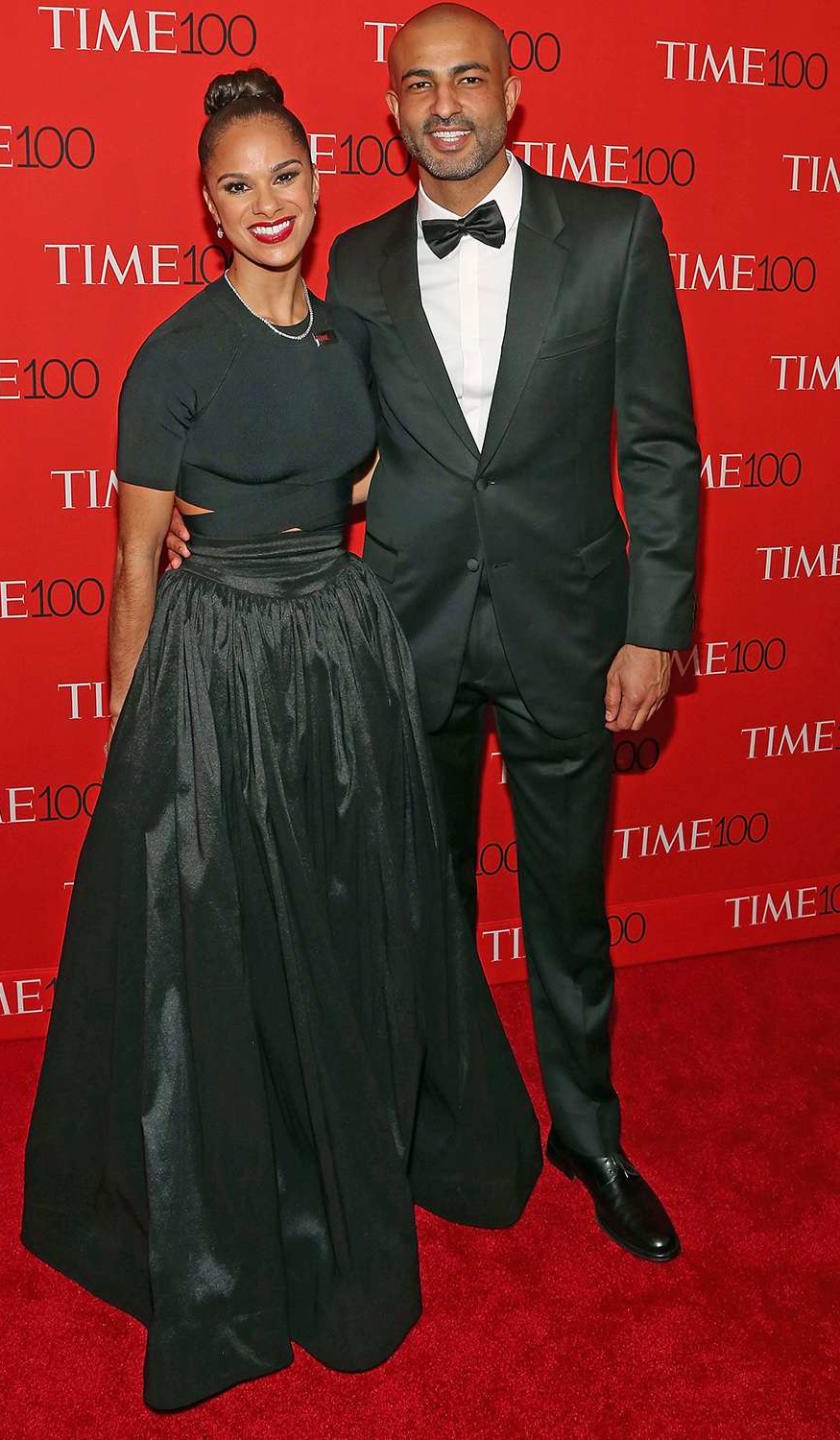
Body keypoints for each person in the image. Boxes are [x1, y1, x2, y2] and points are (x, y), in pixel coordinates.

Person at [21, 67, 542, 1412]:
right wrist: (140, 742)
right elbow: (137, 562)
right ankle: (250, 1208)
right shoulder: (172, 357)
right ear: (206, 204)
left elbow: (358, 473)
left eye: (286, 174)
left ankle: (362, 1136)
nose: (266, 202)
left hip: (341, 650)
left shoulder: (355, 337)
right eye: (238, 183)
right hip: (222, 667)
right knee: (231, 938)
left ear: (319, 181)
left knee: (354, 914)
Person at [166, 3, 702, 1265]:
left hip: (572, 625)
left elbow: (661, 447)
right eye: (418, 83)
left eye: (469, 78)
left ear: (515, 98)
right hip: (397, 634)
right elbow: (324, 439)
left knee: (570, 906)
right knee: (416, 901)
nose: (445, 102)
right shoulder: (347, 259)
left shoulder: (617, 232)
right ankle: (432, 1125)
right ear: (393, 108)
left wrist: (654, 627)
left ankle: (589, 1134)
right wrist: (216, 520)